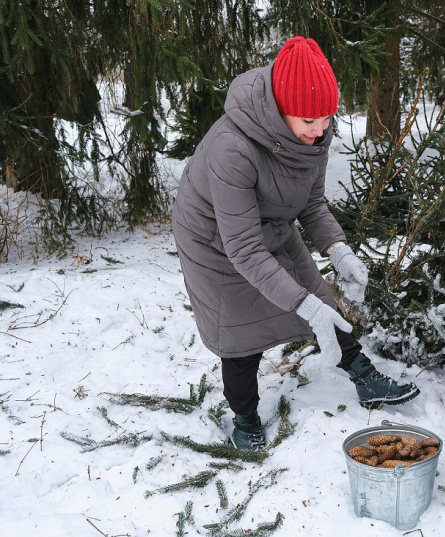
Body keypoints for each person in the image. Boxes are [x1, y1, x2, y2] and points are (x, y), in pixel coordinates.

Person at [171, 36, 420, 451]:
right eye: (309, 121)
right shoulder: (232, 148)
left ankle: (363, 375)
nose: (320, 130)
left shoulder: (312, 133)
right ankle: (245, 417)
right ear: (279, 109)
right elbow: (245, 249)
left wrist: (338, 251)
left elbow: (311, 202)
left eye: (326, 118)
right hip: (214, 240)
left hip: (271, 224)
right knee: (239, 332)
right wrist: (300, 303)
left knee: (320, 297)